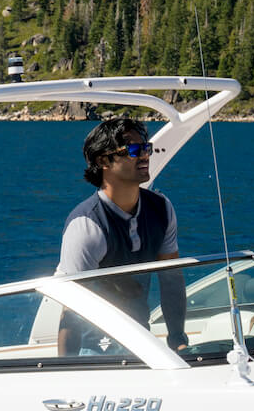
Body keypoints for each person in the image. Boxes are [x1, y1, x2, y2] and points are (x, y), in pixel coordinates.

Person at [56, 116, 189, 353]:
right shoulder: (86, 226)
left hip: (141, 342)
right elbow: (71, 308)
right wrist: (66, 369)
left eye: (146, 148)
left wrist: (178, 340)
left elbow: (171, 280)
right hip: (93, 350)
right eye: (134, 149)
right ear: (103, 160)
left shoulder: (161, 208)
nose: (145, 155)